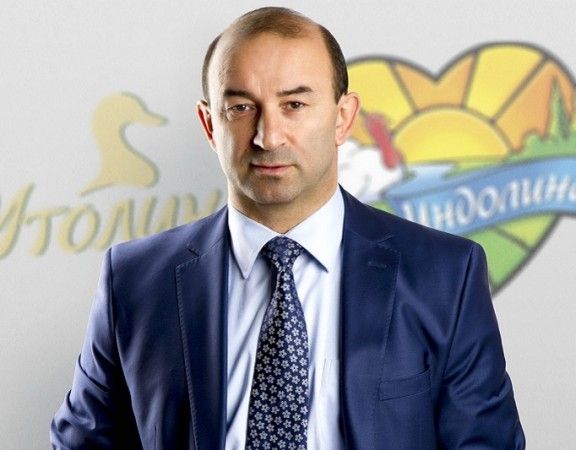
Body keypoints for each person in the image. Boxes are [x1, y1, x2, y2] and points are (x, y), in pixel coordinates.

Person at [51, 6, 525, 449]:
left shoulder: (445, 275)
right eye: (241, 108)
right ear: (209, 124)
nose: (268, 136)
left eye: (294, 104)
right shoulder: (134, 280)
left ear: (342, 117)